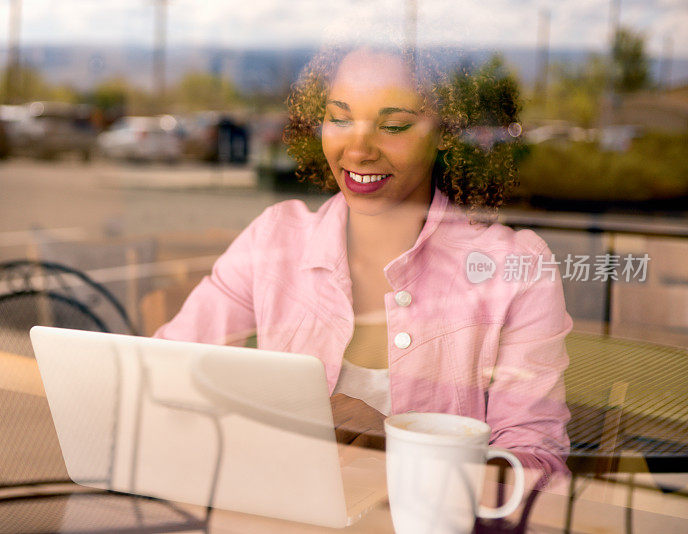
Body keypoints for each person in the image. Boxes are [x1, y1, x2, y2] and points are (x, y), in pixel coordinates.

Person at [154, 44, 571, 484]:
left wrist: (402, 448)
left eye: (393, 125)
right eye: (338, 118)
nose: (358, 149)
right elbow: (165, 379)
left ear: (445, 131)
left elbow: (539, 467)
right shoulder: (274, 239)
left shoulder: (516, 269)